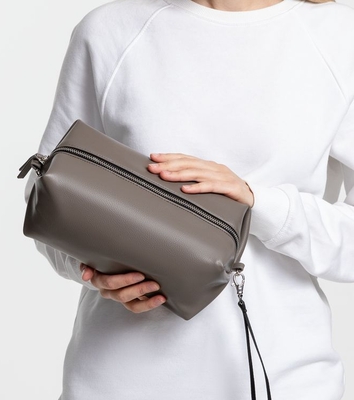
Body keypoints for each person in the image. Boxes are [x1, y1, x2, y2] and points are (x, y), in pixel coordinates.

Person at [25, 0, 354, 399]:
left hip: (281, 377)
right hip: (120, 379)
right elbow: (48, 194)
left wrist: (256, 204)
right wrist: (92, 271)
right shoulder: (110, 30)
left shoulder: (340, 36)